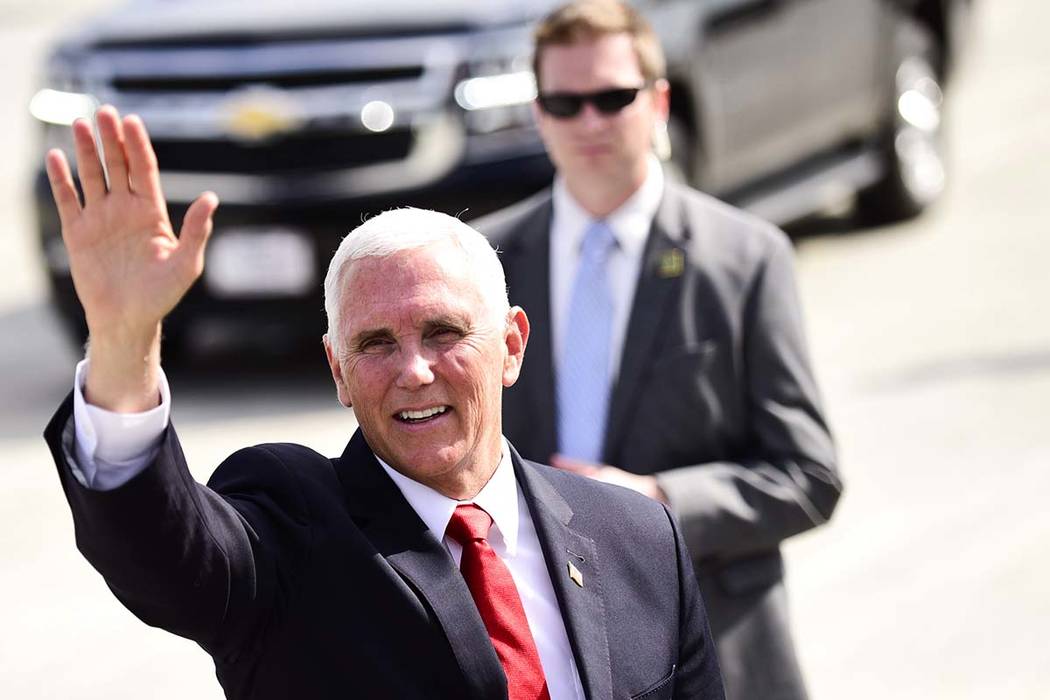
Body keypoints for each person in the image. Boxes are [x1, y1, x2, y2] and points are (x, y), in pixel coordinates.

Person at [41, 105, 724, 699]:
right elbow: (164, 556)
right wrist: (124, 341)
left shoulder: (638, 539)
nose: (415, 371)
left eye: (443, 332)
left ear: (512, 345)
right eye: (375, 344)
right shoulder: (291, 531)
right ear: (337, 370)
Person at [477, 2, 842, 699]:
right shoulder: (482, 264)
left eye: (613, 98)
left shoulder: (744, 258)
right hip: (538, 643)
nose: (589, 122)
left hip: (713, 642)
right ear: (538, 112)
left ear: (659, 101)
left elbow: (808, 474)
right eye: (565, 101)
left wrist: (657, 500)